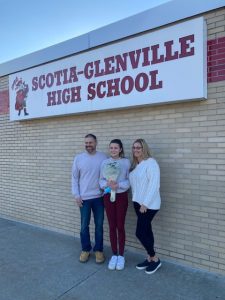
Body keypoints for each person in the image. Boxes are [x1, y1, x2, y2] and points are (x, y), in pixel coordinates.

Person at [72, 134, 107, 264]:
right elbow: (74, 178)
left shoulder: (103, 157)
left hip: (99, 198)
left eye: (90, 142)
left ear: (96, 142)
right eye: (86, 143)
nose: (88, 145)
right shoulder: (79, 158)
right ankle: (85, 249)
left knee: (99, 226)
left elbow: (108, 174)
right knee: (84, 226)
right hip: (84, 199)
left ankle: (98, 250)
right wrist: (76, 195)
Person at [129, 138, 161, 275]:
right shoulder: (136, 165)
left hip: (148, 205)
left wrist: (145, 203)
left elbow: (154, 185)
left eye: (139, 147)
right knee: (147, 231)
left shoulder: (151, 163)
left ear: (144, 149)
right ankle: (150, 258)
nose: (136, 150)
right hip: (137, 203)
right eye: (134, 147)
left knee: (140, 232)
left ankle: (155, 258)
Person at [99, 139, 130, 271]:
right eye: (111, 148)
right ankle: (114, 254)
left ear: (121, 149)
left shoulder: (126, 162)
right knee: (112, 226)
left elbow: (129, 180)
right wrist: (107, 184)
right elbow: (100, 180)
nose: (113, 150)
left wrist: (119, 185)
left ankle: (121, 255)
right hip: (108, 196)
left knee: (120, 226)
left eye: (116, 148)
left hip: (121, 196)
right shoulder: (105, 162)